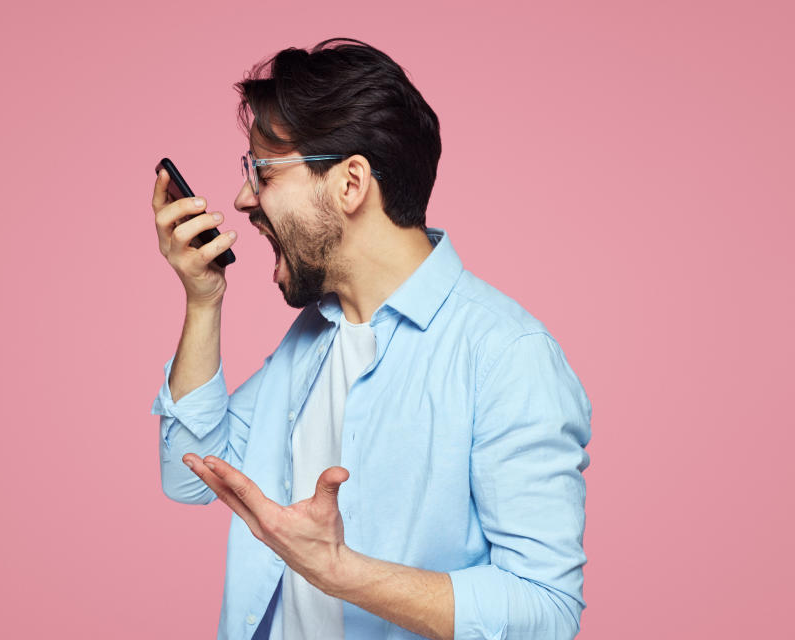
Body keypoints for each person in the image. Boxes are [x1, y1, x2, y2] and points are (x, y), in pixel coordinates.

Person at [150, 38, 592, 640]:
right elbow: (188, 473)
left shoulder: (506, 357)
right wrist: (203, 300)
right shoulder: (313, 337)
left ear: (350, 183)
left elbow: (546, 610)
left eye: (263, 170)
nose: (244, 199)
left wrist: (340, 572)